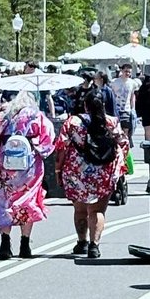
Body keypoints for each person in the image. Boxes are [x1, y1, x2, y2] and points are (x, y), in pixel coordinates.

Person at [55, 89, 128, 258]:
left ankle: (82, 242)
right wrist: (119, 167)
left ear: (85, 105)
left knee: (80, 209)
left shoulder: (72, 122)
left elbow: (61, 148)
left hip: (76, 172)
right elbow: (123, 144)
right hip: (103, 172)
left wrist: (58, 171)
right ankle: (94, 245)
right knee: (97, 211)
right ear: (102, 105)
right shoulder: (111, 121)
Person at [0, 91, 55, 260]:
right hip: (29, 164)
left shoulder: (1, 117)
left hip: (3, 163)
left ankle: (5, 241)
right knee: (27, 200)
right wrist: (37, 146)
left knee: (3, 200)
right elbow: (48, 140)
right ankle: (25, 243)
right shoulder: (37, 116)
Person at [111, 62, 137, 140]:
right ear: (121, 71)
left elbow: (132, 96)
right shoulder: (114, 82)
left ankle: (125, 146)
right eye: (126, 71)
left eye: (129, 72)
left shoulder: (132, 83)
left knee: (126, 131)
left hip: (127, 110)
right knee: (116, 130)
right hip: (116, 110)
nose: (128, 73)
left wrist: (133, 108)